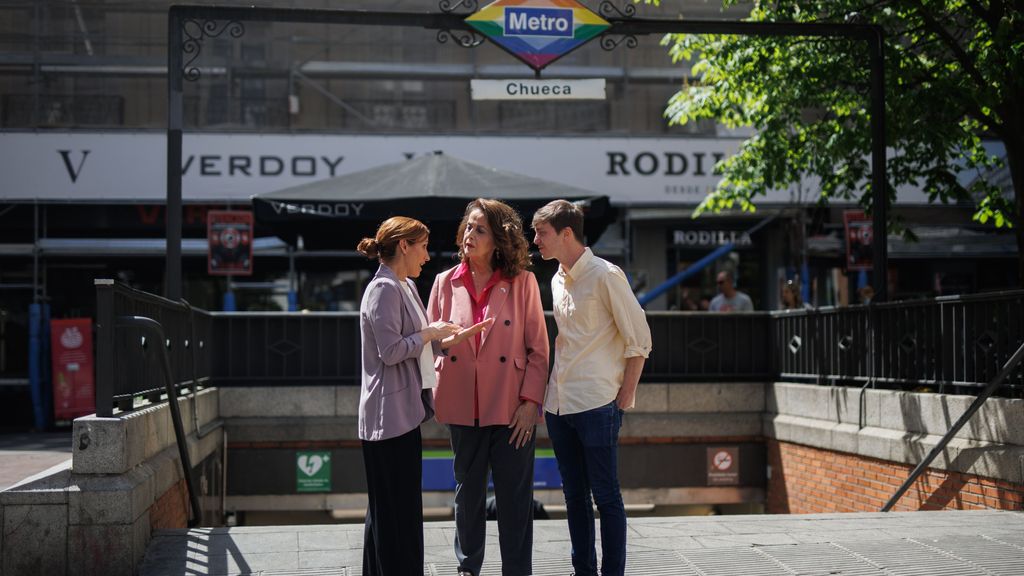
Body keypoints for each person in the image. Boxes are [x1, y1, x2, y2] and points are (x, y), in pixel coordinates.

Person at [356, 216, 489, 576]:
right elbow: (391, 351)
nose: (427, 257)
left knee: (392, 509)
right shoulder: (383, 288)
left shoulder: (405, 286)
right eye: (423, 247)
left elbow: (416, 344)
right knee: (394, 512)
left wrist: (447, 342)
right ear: (404, 246)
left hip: (403, 412)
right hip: (387, 418)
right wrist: (431, 333)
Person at [428, 198, 549, 576]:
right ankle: (468, 569)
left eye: (479, 229)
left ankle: (517, 571)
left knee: (515, 499)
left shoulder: (522, 282)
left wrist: (531, 403)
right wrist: (444, 342)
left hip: (512, 407)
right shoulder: (443, 282)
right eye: (468, 226)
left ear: (499, 240)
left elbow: (539, 350)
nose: (469, 234)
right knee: (468, 495)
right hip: (462, 402)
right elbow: (428, 342)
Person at [531, 199, 652, 576]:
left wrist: (624, 396)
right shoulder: (554, 279)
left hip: (598, 403)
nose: (536, 240)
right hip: (559, 405)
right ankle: (582, 569)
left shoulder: (605, 275)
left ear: (566, 234)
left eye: (542, 233)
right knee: (573, 497)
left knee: (606, 496)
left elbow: (640, 339)